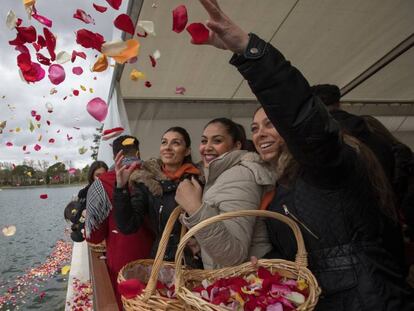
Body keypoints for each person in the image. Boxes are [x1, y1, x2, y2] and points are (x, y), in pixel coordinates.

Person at [193, 0, 414, 309]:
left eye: (271, 123)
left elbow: (304, 122)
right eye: (255, 128)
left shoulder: (325, 164)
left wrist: (249, 52)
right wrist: (269, 268)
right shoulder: (281, 184)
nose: (261, 134)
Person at [311, 84, 406, 273]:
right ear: (339, 102)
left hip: (352, 244)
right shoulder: (374, 135)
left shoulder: (323, 141)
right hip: (388, 227)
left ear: (313, 105)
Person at [175, 118, 276, 269]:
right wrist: (202, 247)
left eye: (217, 141)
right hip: (231, 280)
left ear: (236, 146)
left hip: (245, 283)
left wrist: (194, 207)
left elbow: (233, 256)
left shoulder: (240, 175)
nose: (207, 147)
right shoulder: (221, 175)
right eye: (204, 141)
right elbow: (224, 233)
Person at [113, 127, 203, 267]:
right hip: (163, 263)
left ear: (187, 151)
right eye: (164, 142)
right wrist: (121, 187)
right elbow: (128, 225)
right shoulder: (147, 182)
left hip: (196, 263)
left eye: (176, 143)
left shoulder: (199, 181)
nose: (167, 147)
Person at [85, 135, 153, 309]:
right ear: (138, 152)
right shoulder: (156, 175)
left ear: (114, 155)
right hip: (158, 259)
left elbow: (93, 236)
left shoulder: (101, 184)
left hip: (123, 264)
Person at [64, 161, 108, 242]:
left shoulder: (112, 190)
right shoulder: (84, 193)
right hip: (93, 230)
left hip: (106, 230)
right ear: (92, 176)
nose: (101, 178)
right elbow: (78, 217)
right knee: (77, 236)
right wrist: (83, 215)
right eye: (98, 175)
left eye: (104, 175)